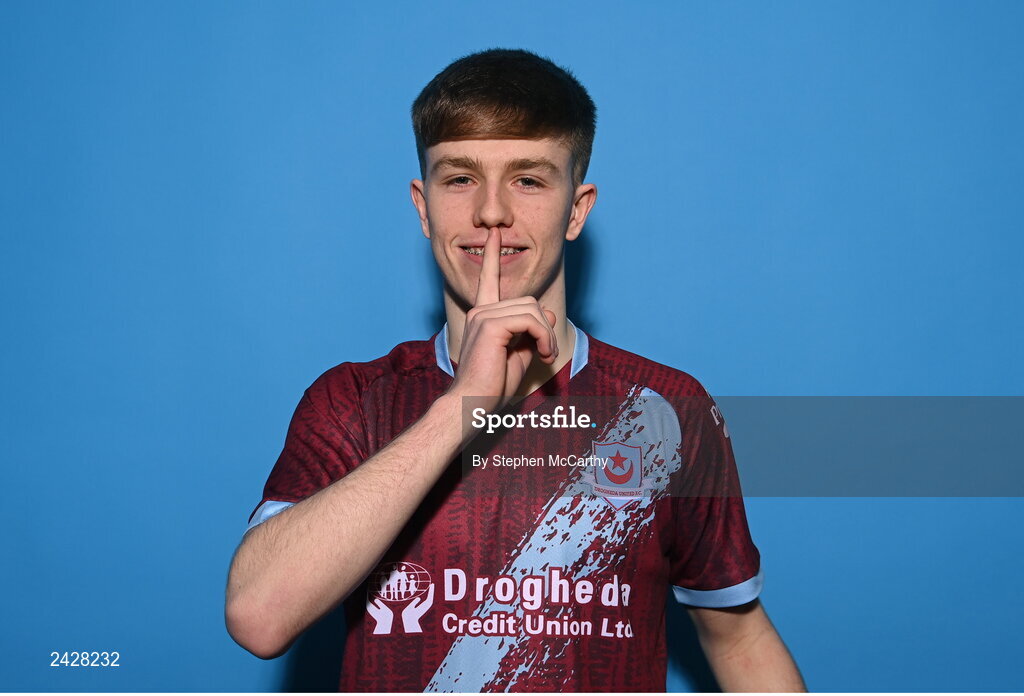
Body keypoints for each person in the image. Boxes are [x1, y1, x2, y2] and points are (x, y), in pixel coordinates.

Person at [225, 48, 806, 692]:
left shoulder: (664, 411)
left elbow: (740, 639)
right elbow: (259, 617)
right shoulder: (351, 400)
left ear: (577, 209)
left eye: (529, 179)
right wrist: (463, 404)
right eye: (460, 178)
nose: (493, 212)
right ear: (423, 207)